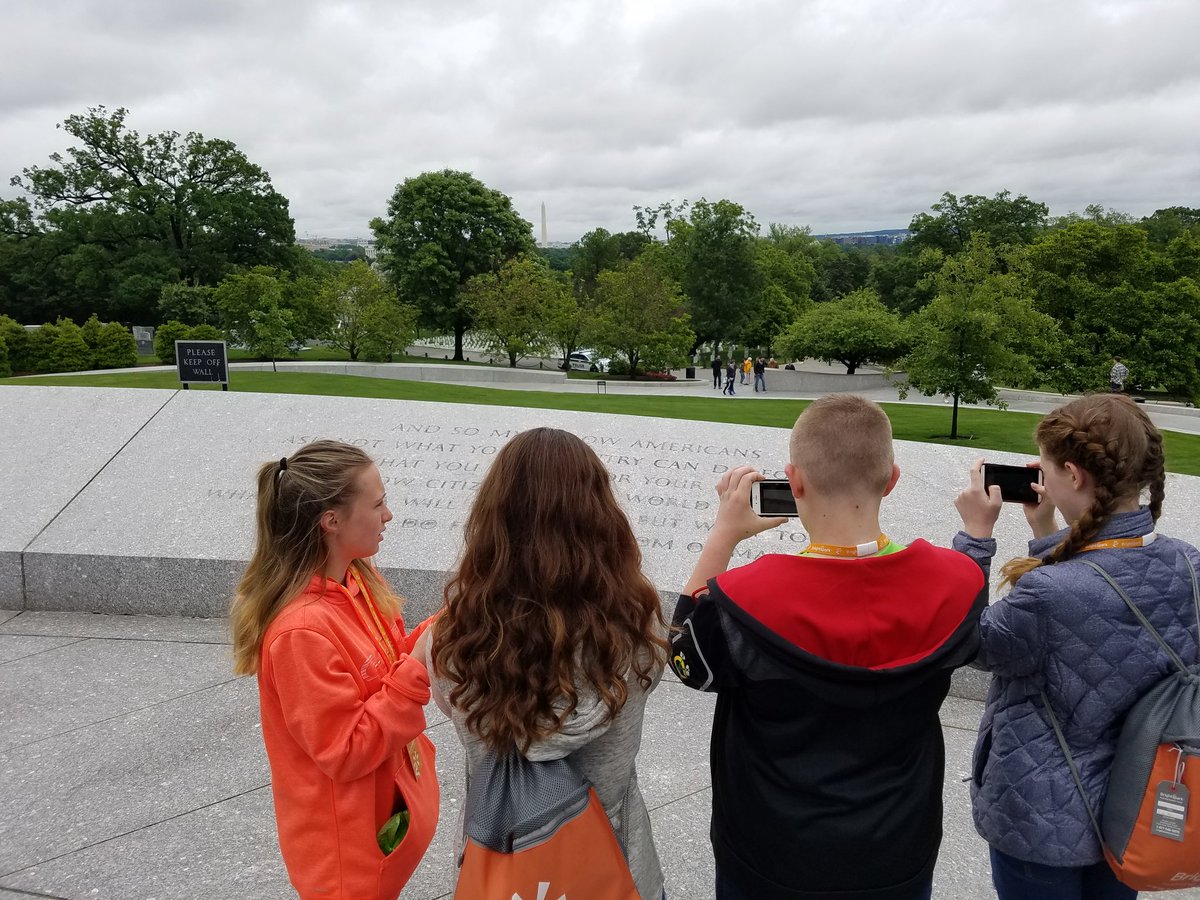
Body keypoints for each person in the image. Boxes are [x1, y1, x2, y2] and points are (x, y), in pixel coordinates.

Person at [670, 395, 987, 900]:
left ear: (794, 482)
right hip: (896, 847)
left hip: (771, 851)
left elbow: (687, 662)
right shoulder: (957, 582)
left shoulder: (743, 599)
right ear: (892, 479)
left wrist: (723, 535)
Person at [952, 393, 1200, 900]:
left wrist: (976, 536)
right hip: (1135, 805)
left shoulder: (1049, 594)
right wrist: (1045, 528)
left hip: (1041, 817)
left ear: (1072, 473)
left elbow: (972, 642)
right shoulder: (1190, 565)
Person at [428, 427, 669, 899]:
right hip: (612, 868)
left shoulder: (458, 629)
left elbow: (448, 704)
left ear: (494, 515)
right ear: (601, 515)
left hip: (496, 860)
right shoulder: (638, 627)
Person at [230, 440, 440, 900]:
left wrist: (445, 625)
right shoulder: (301, 632)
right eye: (379, 503)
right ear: (331, 521)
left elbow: (386, 663)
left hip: (379, 829)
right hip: (347, 858)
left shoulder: (357, 577)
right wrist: (419, 665)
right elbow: (344, 750)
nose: (389, 516)